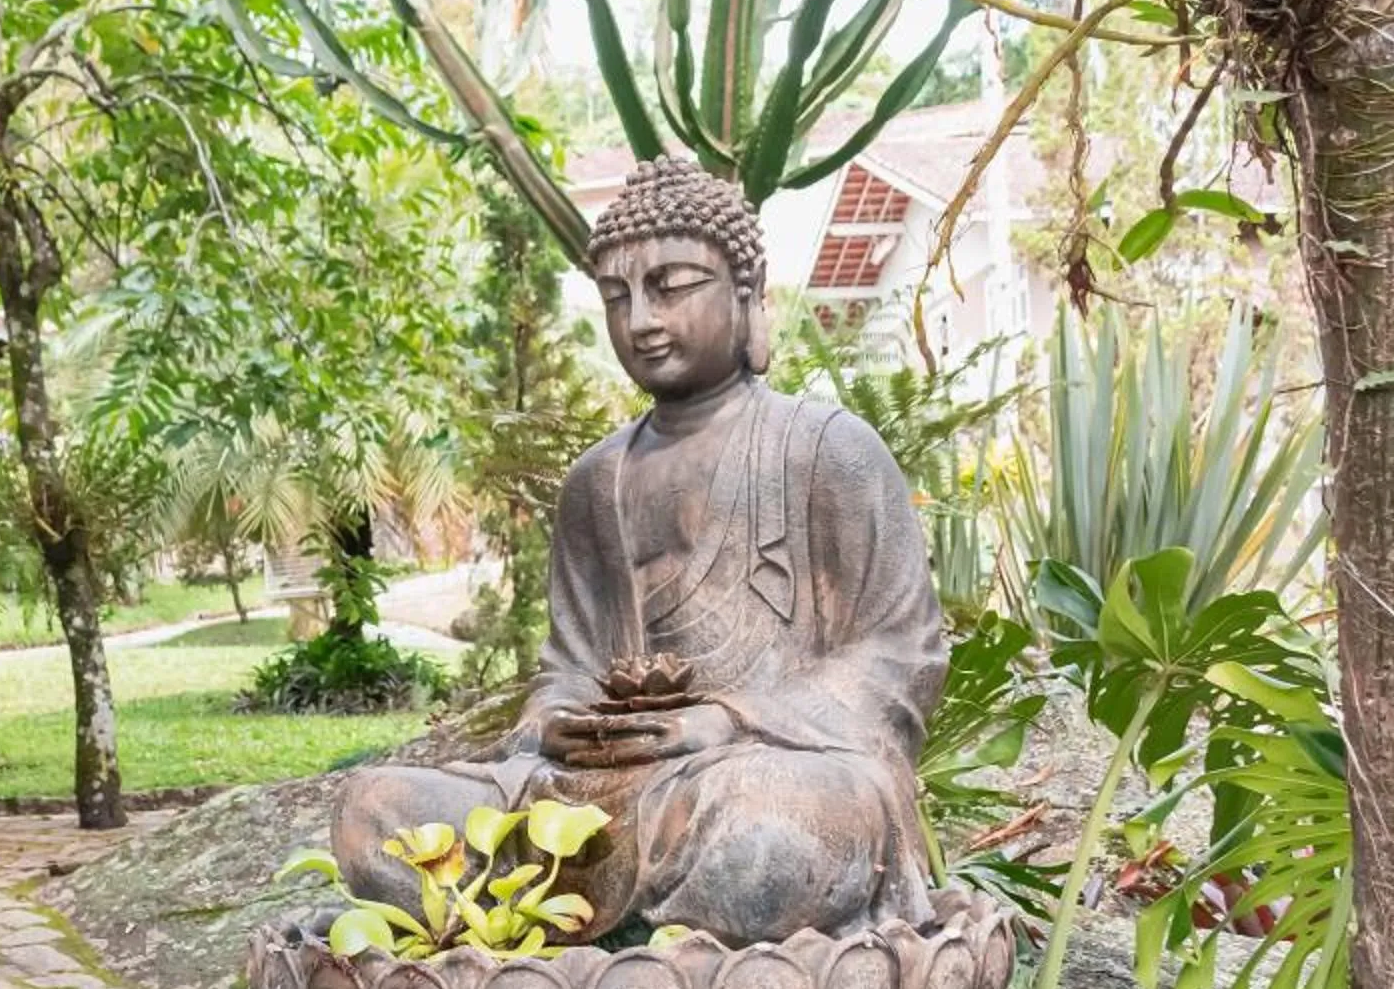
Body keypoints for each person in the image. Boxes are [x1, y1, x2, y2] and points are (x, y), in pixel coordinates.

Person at [331, 159, 947, 945]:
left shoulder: (827, 448)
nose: (642, 321)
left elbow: (903, 654)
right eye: (617, 298)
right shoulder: (599, 480)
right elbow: (573, 664)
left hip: (764, 772)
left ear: (747, 293)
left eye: (672, 286)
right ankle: (642, 952)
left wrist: (728, 721)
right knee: (373, 812)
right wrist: (557, 721)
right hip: (597, 787)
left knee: (768, 841)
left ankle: (603, 950)